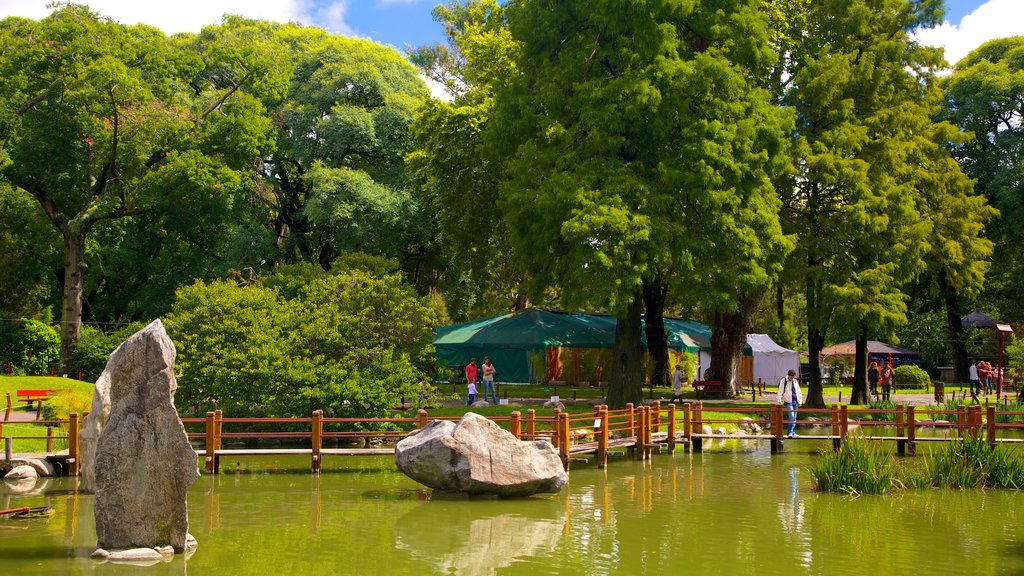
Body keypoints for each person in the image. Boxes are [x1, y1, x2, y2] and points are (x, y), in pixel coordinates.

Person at [777, 370, 802, 438]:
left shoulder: (795, 381)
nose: (792, 378)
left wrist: (800, 401)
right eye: (791, 376)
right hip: (788, 402)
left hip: (795, 402)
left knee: (794, 418)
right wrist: (779, 400)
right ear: (788, 375)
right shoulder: (784, 380)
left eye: (793, 376)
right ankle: (789, 433)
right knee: (791, 417)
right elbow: (780, 390)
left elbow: (798, 391)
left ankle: (793, 432)